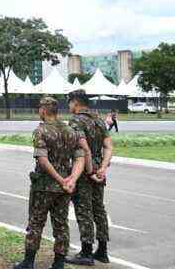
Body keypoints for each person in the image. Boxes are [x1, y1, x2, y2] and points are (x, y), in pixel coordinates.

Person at [13, 97, 85, 269]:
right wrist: (71, 179)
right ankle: (59, 263)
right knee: (61, 224)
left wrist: (60, 179)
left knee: (36, 223)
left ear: (44, 110)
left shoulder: (41, 131)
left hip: (44, 186)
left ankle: (28, 262)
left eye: (40, 108)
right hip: (65, 188)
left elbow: (43, 160)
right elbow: (80, 157)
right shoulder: (70, 130)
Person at [66, 90, 114, 265]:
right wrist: (102, 168)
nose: (69, 106)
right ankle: (102, 250)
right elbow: (108, 146)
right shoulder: (98, 120)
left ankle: (86, 252)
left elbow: (84, 148)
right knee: (99, 209)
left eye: (69, 102)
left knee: (84, 210)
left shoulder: (76, 121)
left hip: (85, 172)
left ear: (76, 103)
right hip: (99, 173)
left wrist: (90, 171)